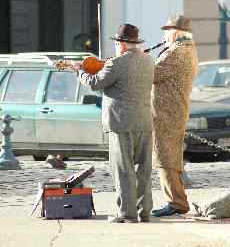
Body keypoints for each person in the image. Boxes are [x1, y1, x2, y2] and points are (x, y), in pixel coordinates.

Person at [75, 24, 154, 223]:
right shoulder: (148, 60)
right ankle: (144, 211)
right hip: (144, 121)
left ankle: (127, 213)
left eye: (117, 42)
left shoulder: (116, 63)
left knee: (123, 169)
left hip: (121, 123)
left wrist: (79, 71)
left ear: (121, 44)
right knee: (143, 169)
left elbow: (94, 83)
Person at [151, 15, 198, 217]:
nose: (164, 34)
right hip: (172, 112)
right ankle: (176, 200)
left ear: (177, 32)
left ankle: (176, 202)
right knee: (169, 156)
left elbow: (152, 74)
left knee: (165, 158)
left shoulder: (177, 52)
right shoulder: (185, 50)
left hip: (167, 114)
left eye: (167, 31)